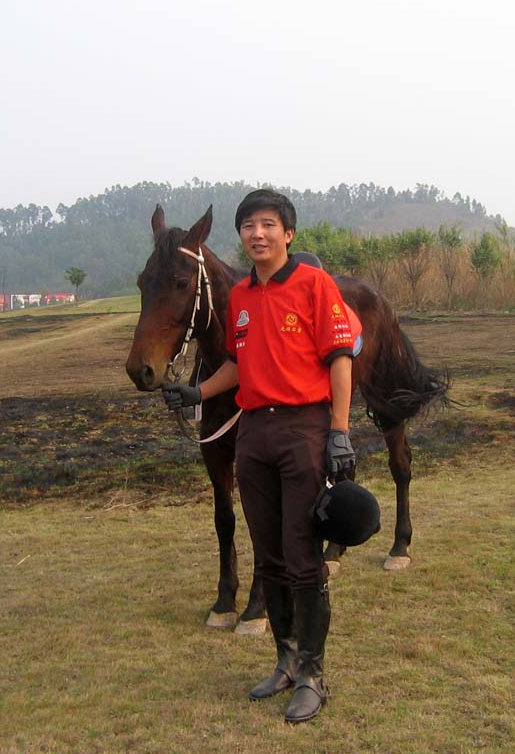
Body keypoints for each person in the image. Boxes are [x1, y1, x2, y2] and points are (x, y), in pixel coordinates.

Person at [162, 189, 357, 723]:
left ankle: (314, 674)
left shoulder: (315, 284)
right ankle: (286, 660)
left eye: (268, 224)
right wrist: (196, 394)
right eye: (248, 225)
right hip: (254, 434)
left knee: (301, 554)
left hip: (304, 430)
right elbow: (239, 365)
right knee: (268, 553)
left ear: (287, 234)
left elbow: (341, 359)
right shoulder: (241, 298)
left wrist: (339, 431)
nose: (258, 233)